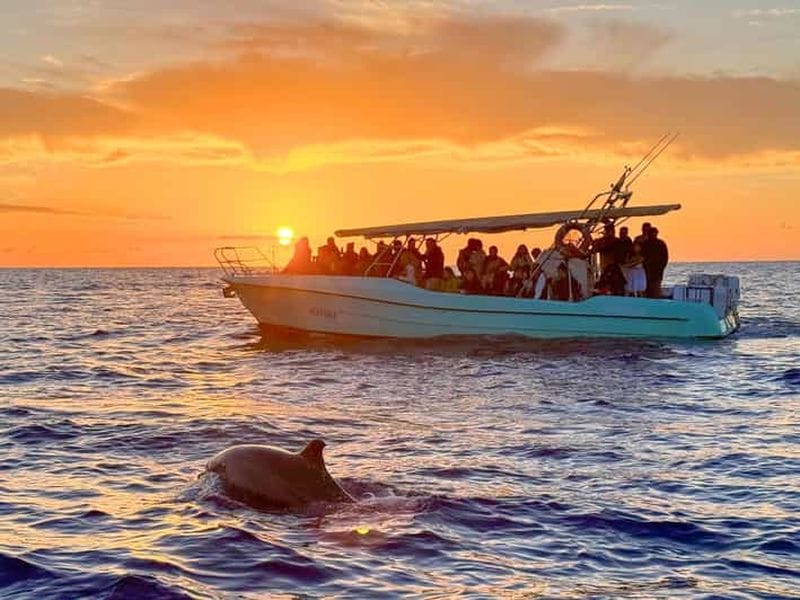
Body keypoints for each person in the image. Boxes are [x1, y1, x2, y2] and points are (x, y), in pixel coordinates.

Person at [642, 227, 668, 298]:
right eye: (651, 234)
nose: (653, 235)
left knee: (656, 288)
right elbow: (642, 256)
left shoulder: (660, 243)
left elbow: (665, 258)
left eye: (654, 234)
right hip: (648, 269)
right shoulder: (645, 243)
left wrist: (661, 267)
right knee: (649, 288)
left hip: (657, 270)